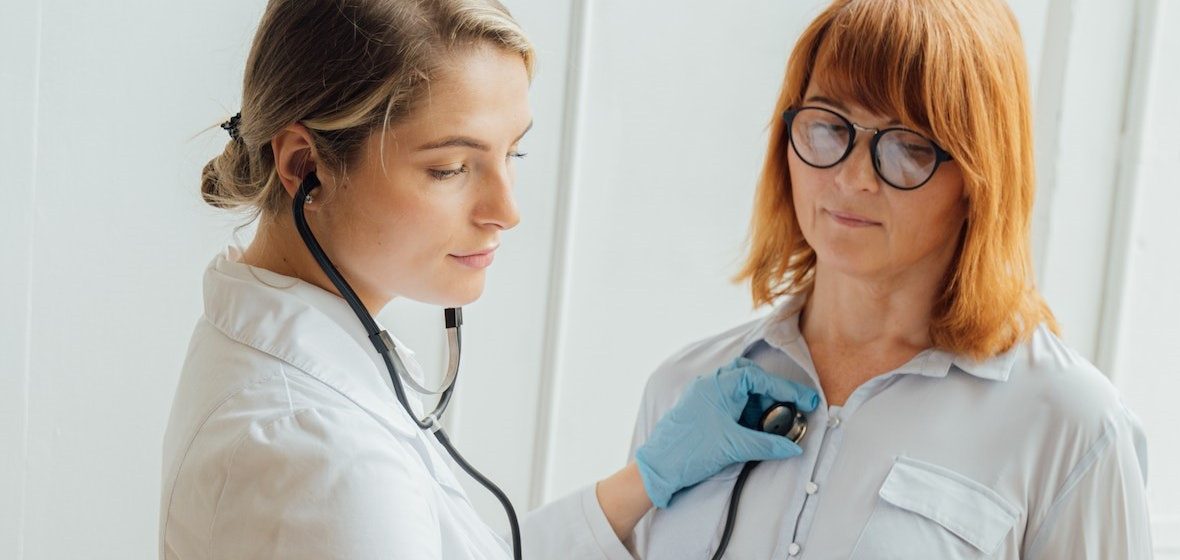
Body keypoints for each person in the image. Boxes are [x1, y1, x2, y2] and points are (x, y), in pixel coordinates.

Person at [159, 1, 818, 558]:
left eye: (513, 153)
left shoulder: (285, 359)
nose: (507, 210)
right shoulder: (325, 456)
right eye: (451, 168)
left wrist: (645, 482)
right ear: (305, 166)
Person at [612, 0, 1154, 558]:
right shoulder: (685, 388)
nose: (853, 177)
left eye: (908, 146)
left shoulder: (1073, 425)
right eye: (828, 126)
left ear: (978, 177)